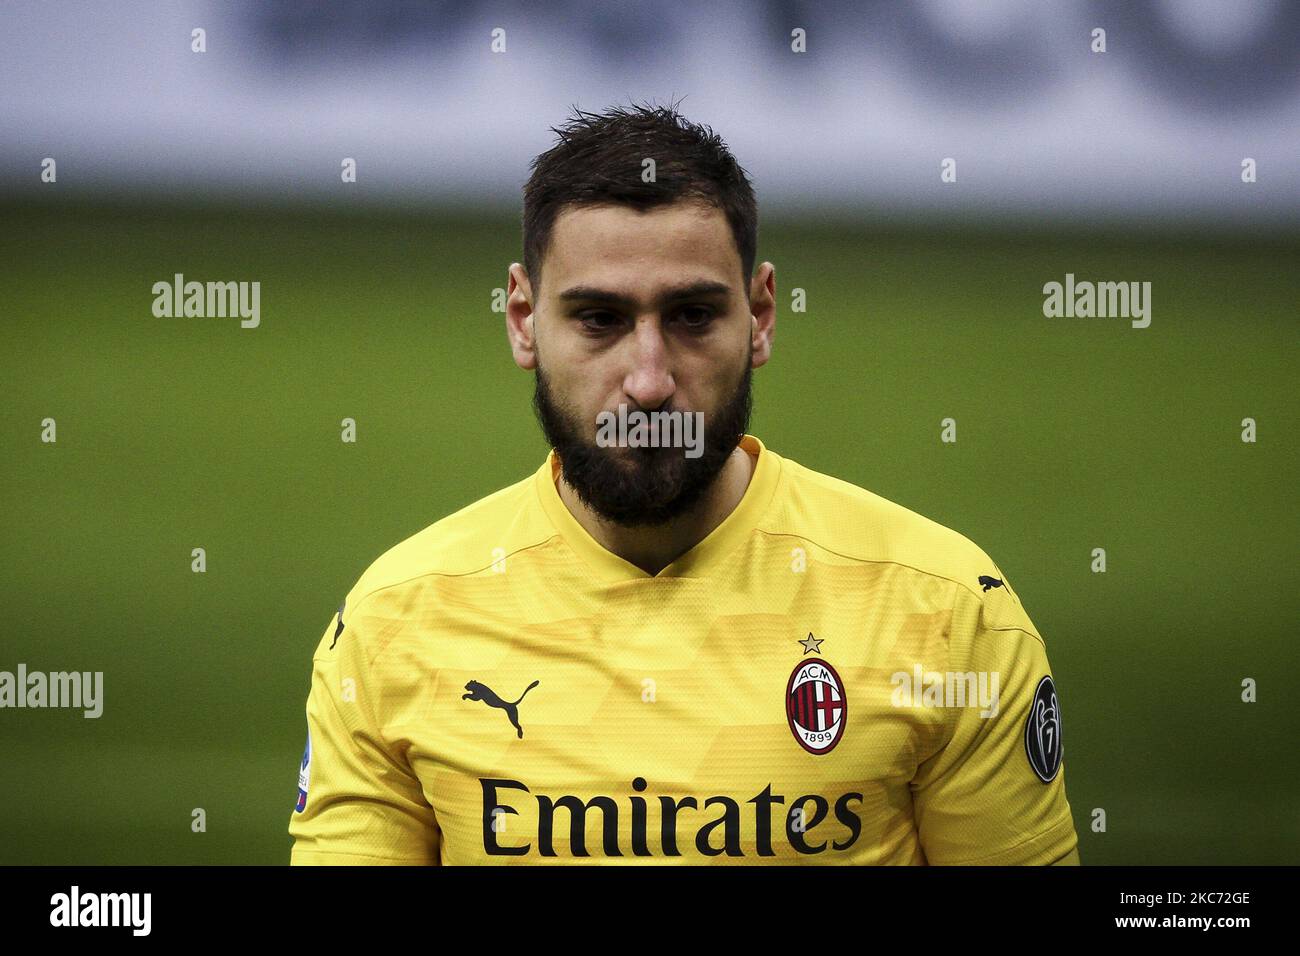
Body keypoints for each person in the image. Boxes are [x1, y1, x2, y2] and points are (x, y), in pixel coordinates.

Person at [289, 101, 1079, 865]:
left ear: (761, 316)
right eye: (599, 319)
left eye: (692, 316)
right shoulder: (393, 627)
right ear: (524, 321)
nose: (648, 381)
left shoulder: (943, 612)